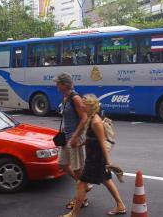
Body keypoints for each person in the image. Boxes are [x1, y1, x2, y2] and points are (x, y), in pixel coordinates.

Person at [60, 94, 126, 217]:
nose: (81, 105)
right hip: (93, 156)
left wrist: (108, 162)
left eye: (83, 103)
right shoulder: (90, 119)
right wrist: (79, 145)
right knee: (106, 180)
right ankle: (120, 205)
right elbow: (91, 138)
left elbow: (102, 143)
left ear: (90, 106)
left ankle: (74, 214)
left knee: (81, 183)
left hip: (96, 158)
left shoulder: (96, 122)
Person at [53, 73, 89, 210]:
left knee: (77, 169)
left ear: (64, 84)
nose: (56, 85)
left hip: (75, 138)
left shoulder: (75, 98)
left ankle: (82, 198)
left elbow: (84, 118)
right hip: (66, 137)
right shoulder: (66, 97)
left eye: (58, 83)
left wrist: (75, 137)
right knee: (62, 164)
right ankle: (84, 186)